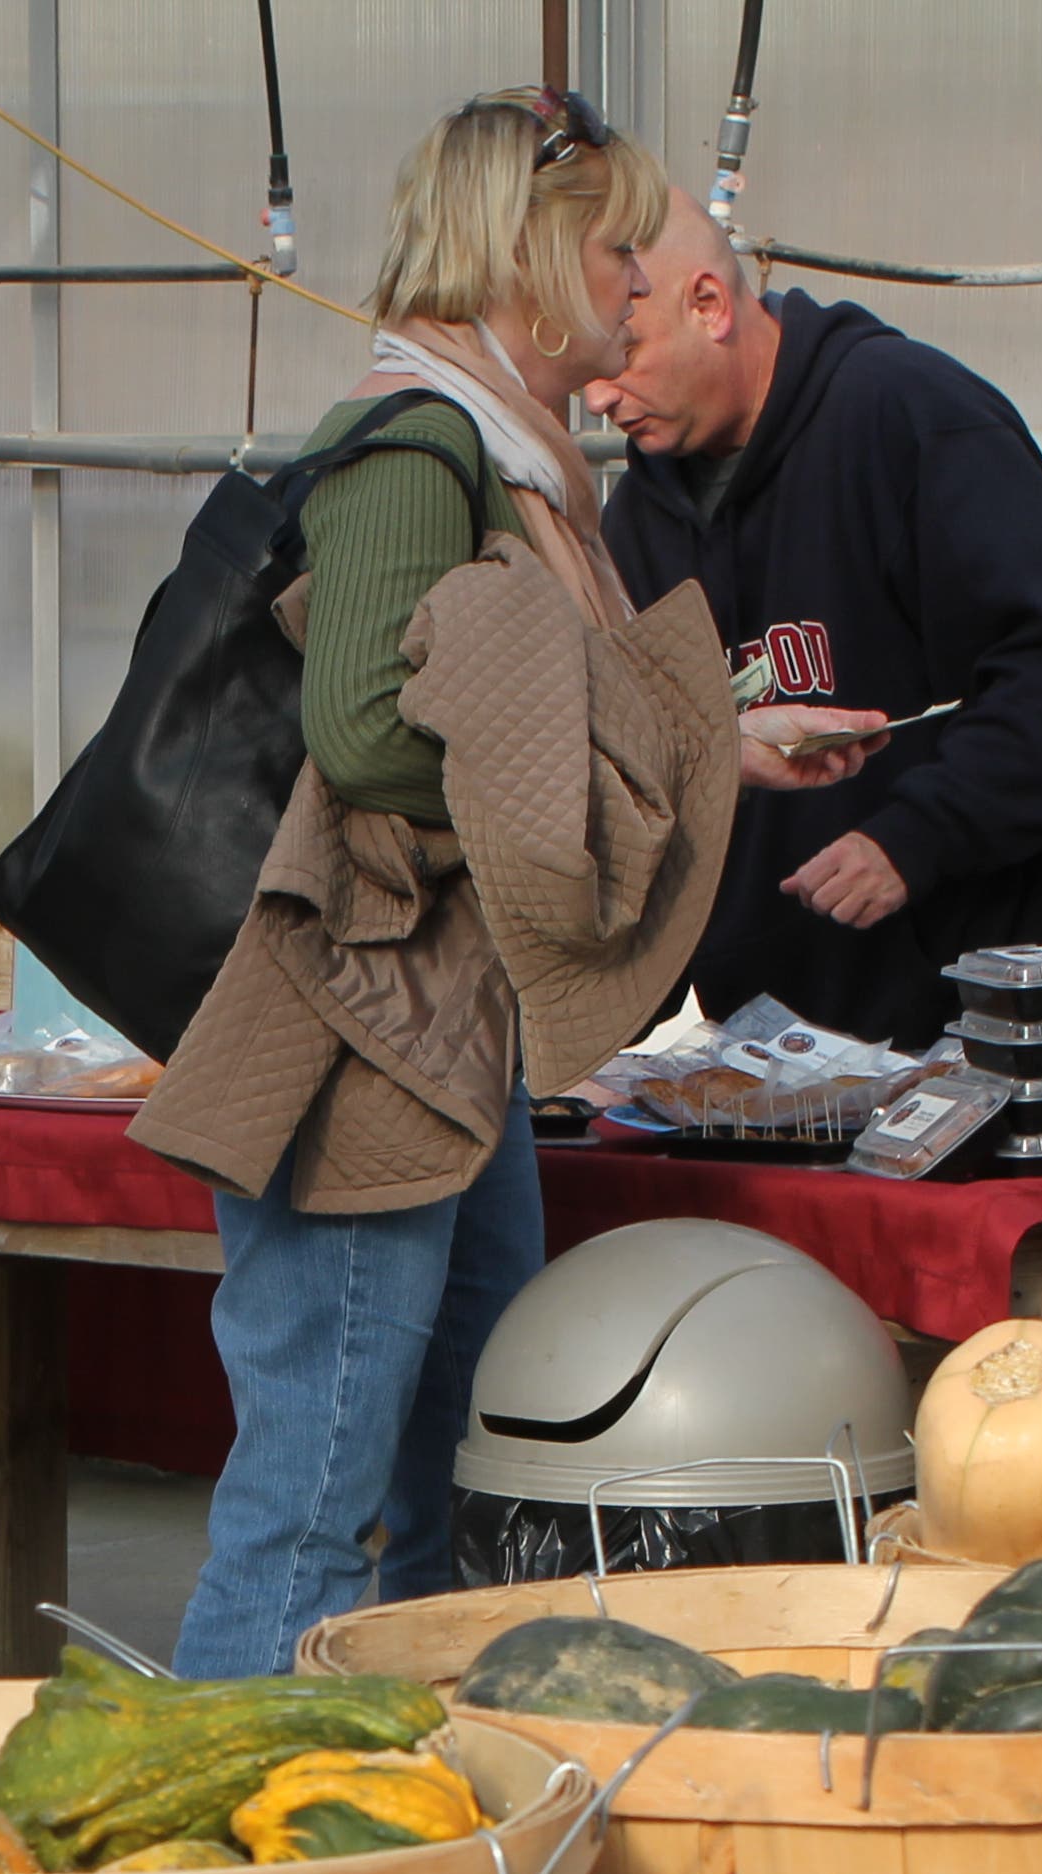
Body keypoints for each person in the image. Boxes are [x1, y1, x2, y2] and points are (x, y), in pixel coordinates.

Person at [140, 90, 736, 1676]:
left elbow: (535, 712)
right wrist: (571, 795)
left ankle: (395, 1808)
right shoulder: (417, 452)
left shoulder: (512, 462)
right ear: (526, 254)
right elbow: (367, 735)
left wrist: (726, 744)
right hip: (357, 1046)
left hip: (443, 1045)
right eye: (615, 248)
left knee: (451, 1473)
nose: (633, 284)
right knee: (310, 1504)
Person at [591, 196, 1042, 1050]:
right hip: (791, 1047)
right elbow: (654, 768)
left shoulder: (911, 415)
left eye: (622, 354)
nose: (598, 395)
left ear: (708, 305)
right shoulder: (636, 521)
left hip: (1007, 1020)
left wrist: (916, 838)